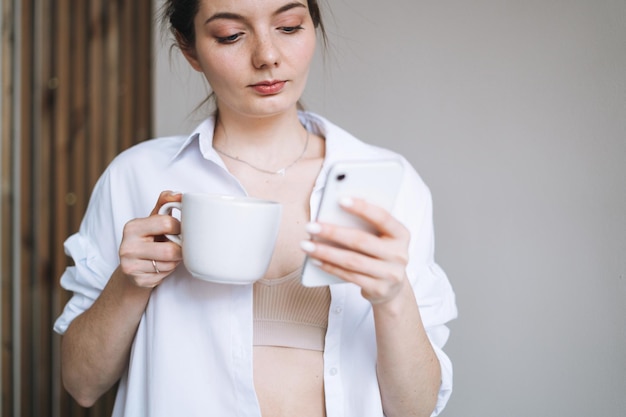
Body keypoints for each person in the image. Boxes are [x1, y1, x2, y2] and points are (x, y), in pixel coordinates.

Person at [53, 0, 457, 416]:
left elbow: (415, 409)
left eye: (288, 26)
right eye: (231, 35)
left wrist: (393, 298)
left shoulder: (387, 184)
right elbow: (82, 385)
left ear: (312, 28)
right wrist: (128, 284)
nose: (267, 56)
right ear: (189, 48)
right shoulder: (138, 177)